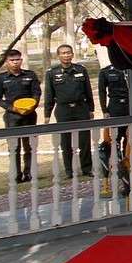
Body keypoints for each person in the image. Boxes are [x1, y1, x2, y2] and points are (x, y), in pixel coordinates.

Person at [44, 44, 95, 178]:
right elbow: (49, 94)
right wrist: (47, 114)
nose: (66, 55)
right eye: (63, 53)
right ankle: (69, 170)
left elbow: (88, 91)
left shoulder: (81, 70)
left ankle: (86, 169)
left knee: (84, 141)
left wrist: (91, 109)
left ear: (72, 54)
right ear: (58, 56)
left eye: (68, 53)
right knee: (65, 142)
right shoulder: (52, 73)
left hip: (81, 108)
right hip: (63, 110)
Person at [0, 49, 41, 183]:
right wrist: (11, 108)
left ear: (21, 60)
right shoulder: (1, 78)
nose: (15, 62)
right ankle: (16, 174)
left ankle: (29, 172)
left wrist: (32, 105)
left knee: (29, 146)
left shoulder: (30, 75)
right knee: (14, 147)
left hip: (29, 115)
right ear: (6, 62)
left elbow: (36, 92)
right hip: (12, 117)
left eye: (18, 59)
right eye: (12, 60)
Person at [98, 64, 130, 156]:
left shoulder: (131, 69)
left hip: (129, 105)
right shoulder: (106, 71)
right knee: (115, 137)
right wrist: (104, 110)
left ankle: (127, 160)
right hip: (115, 106)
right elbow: (102, 91)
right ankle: (116, 159)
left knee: (130, 137)